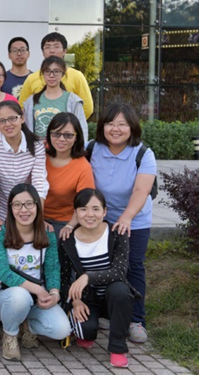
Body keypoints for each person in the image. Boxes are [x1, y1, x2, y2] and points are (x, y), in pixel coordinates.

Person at [87, 103, 156, 344]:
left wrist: (126, 218)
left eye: (122, 124)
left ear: (132, 127)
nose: (115, 129)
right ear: (102, 126)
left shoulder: (143, 153)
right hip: (99, 220)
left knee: (132, 267)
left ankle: (136, 320)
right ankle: (107, 313)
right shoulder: (91, 148)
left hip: (134, 220)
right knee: (102, 265)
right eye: (110, 123)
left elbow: (141, 190)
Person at [0, 184, 70, 361]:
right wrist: (39, 289)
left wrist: (54, 293)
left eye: (29, 204)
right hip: (4, 298)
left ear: (37, 206)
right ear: (10, 208)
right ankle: (10, 334)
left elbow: (52, 268)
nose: (23, 210)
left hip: (35, 300)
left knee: (62, 329)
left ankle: (27, 326)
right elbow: (4, 273)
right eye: (17, 205)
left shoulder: (47, 233)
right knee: (20, 296)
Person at [59, 188, 134, 369]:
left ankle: (117, 348)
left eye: (95, 209)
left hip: (113, 297)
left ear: (104, 211)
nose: (90, 214)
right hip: (86, 298)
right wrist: (75, 301)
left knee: (119, 290)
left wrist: (87, 277)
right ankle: (87, 326)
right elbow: (64, 278)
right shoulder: (68, 239)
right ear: (75, 213)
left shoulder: (117, 233)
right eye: (83, 209)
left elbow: (119, 272)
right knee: (85, 335)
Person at [0, 101, 48, 278]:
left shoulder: (36, 144)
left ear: (22, 118)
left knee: (21, 259)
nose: (8, 124)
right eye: (2, 121)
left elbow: (39, 184)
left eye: (12, 118)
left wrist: (38, 218)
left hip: (24, 210)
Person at [19, 32, 94, 118]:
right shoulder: (31, 78)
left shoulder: (77, 76)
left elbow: (87, 108)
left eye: (56, 46)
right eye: (47, 47)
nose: (52, 51)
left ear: (64, 51)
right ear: (43, 52)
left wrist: (70, 123)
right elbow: (22, 107)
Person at [44, 113, 94, 237]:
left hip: (64, 221)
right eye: (56, 134)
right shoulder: (40, 153)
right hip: (33, 216)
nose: (61, 139)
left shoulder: (83, 167)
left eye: (68, 135)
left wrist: (70, 225)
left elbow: (86, 202)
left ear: (76, 137)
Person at [22, 56, 86, 141]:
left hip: (63, 146)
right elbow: (25, 129)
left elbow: (82, 129)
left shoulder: (73, 101)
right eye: (47, 71)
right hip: (38, 147)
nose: (51, 75)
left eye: (56, 71)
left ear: (63, 74)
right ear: (42, 73)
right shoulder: (31, 101)